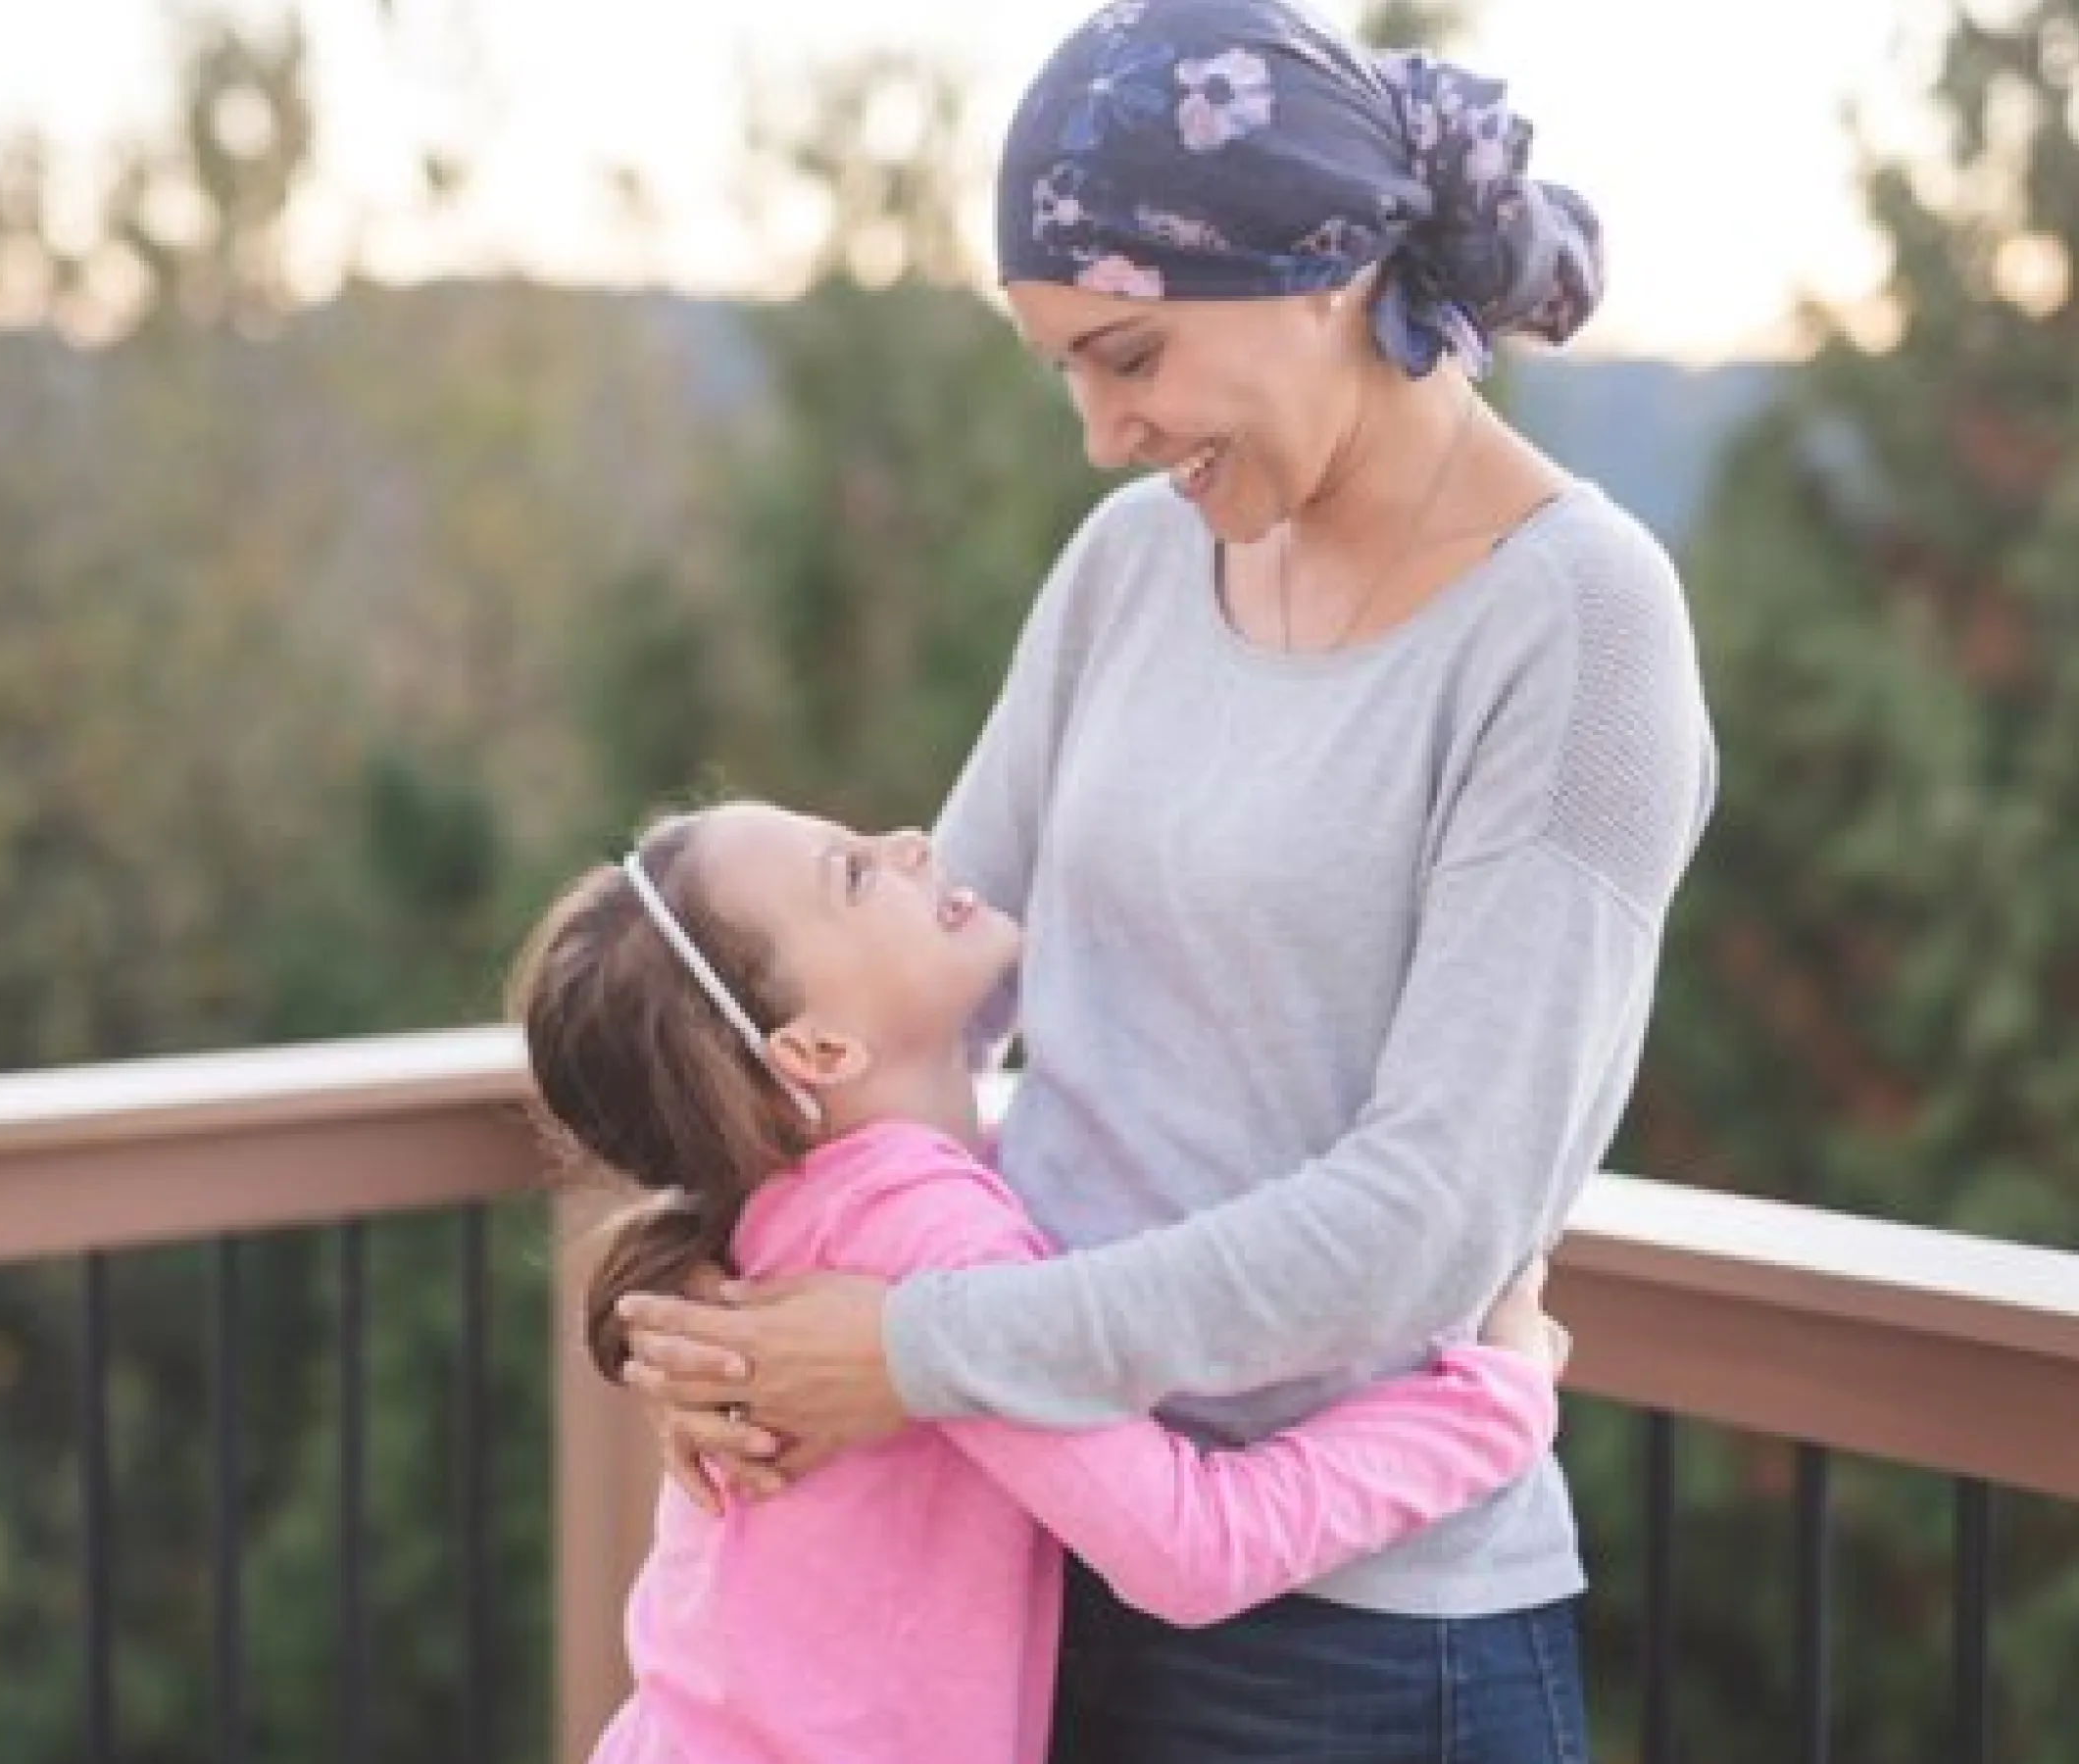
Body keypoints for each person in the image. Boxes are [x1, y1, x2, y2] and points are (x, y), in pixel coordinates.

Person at [608, 2, 1719, 1759]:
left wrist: (917, 1352)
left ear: (1323, 272)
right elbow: (922, 972)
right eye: (1067, 370)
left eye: (1129, 356)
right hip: (1051, 1555)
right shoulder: (1138, 562)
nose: (1104, 434)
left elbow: (1432, 1218)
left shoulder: (1575, 626)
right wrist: (725, 1323)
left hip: (1353, 1644)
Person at [514, 801, 1567, 1764]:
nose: (910, 843)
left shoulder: (796, 1204)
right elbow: (1193, 1547)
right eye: (850, 874)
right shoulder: (926, 1235)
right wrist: (1495, 1400)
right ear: (820, 1049)